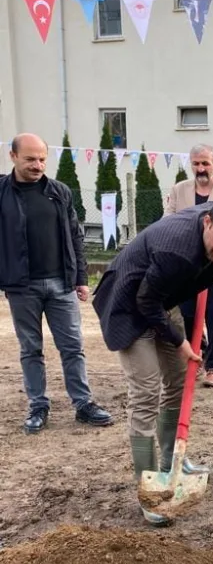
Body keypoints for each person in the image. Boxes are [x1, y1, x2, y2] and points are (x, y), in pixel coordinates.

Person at [93, 199, 213, 525]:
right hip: (129, 305)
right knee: (146, 391)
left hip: (162, 299)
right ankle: (149, 487)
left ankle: (170, 460)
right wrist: (179, 340)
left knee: (180, 379)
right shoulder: (176, 250)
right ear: (207, 222)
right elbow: (145, 300)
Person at [0, 133, 113, 434]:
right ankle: (38, 405)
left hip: (61, 284)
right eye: (30, 159)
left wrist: (80, 278)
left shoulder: (59, 191)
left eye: (41, 159)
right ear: (12, 157)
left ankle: (83, 404)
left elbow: (75, 235)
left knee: (73, 347)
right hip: (21, 287)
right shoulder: (2, 191)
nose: (37, 165)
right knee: (30, 349)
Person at [165, 145, 213, 388]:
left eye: (205, 164)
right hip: (187, 267)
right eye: (196, 164)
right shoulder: (179, 191)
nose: (201, 169)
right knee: (187, 314)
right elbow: (168, 222)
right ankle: (198, 352)